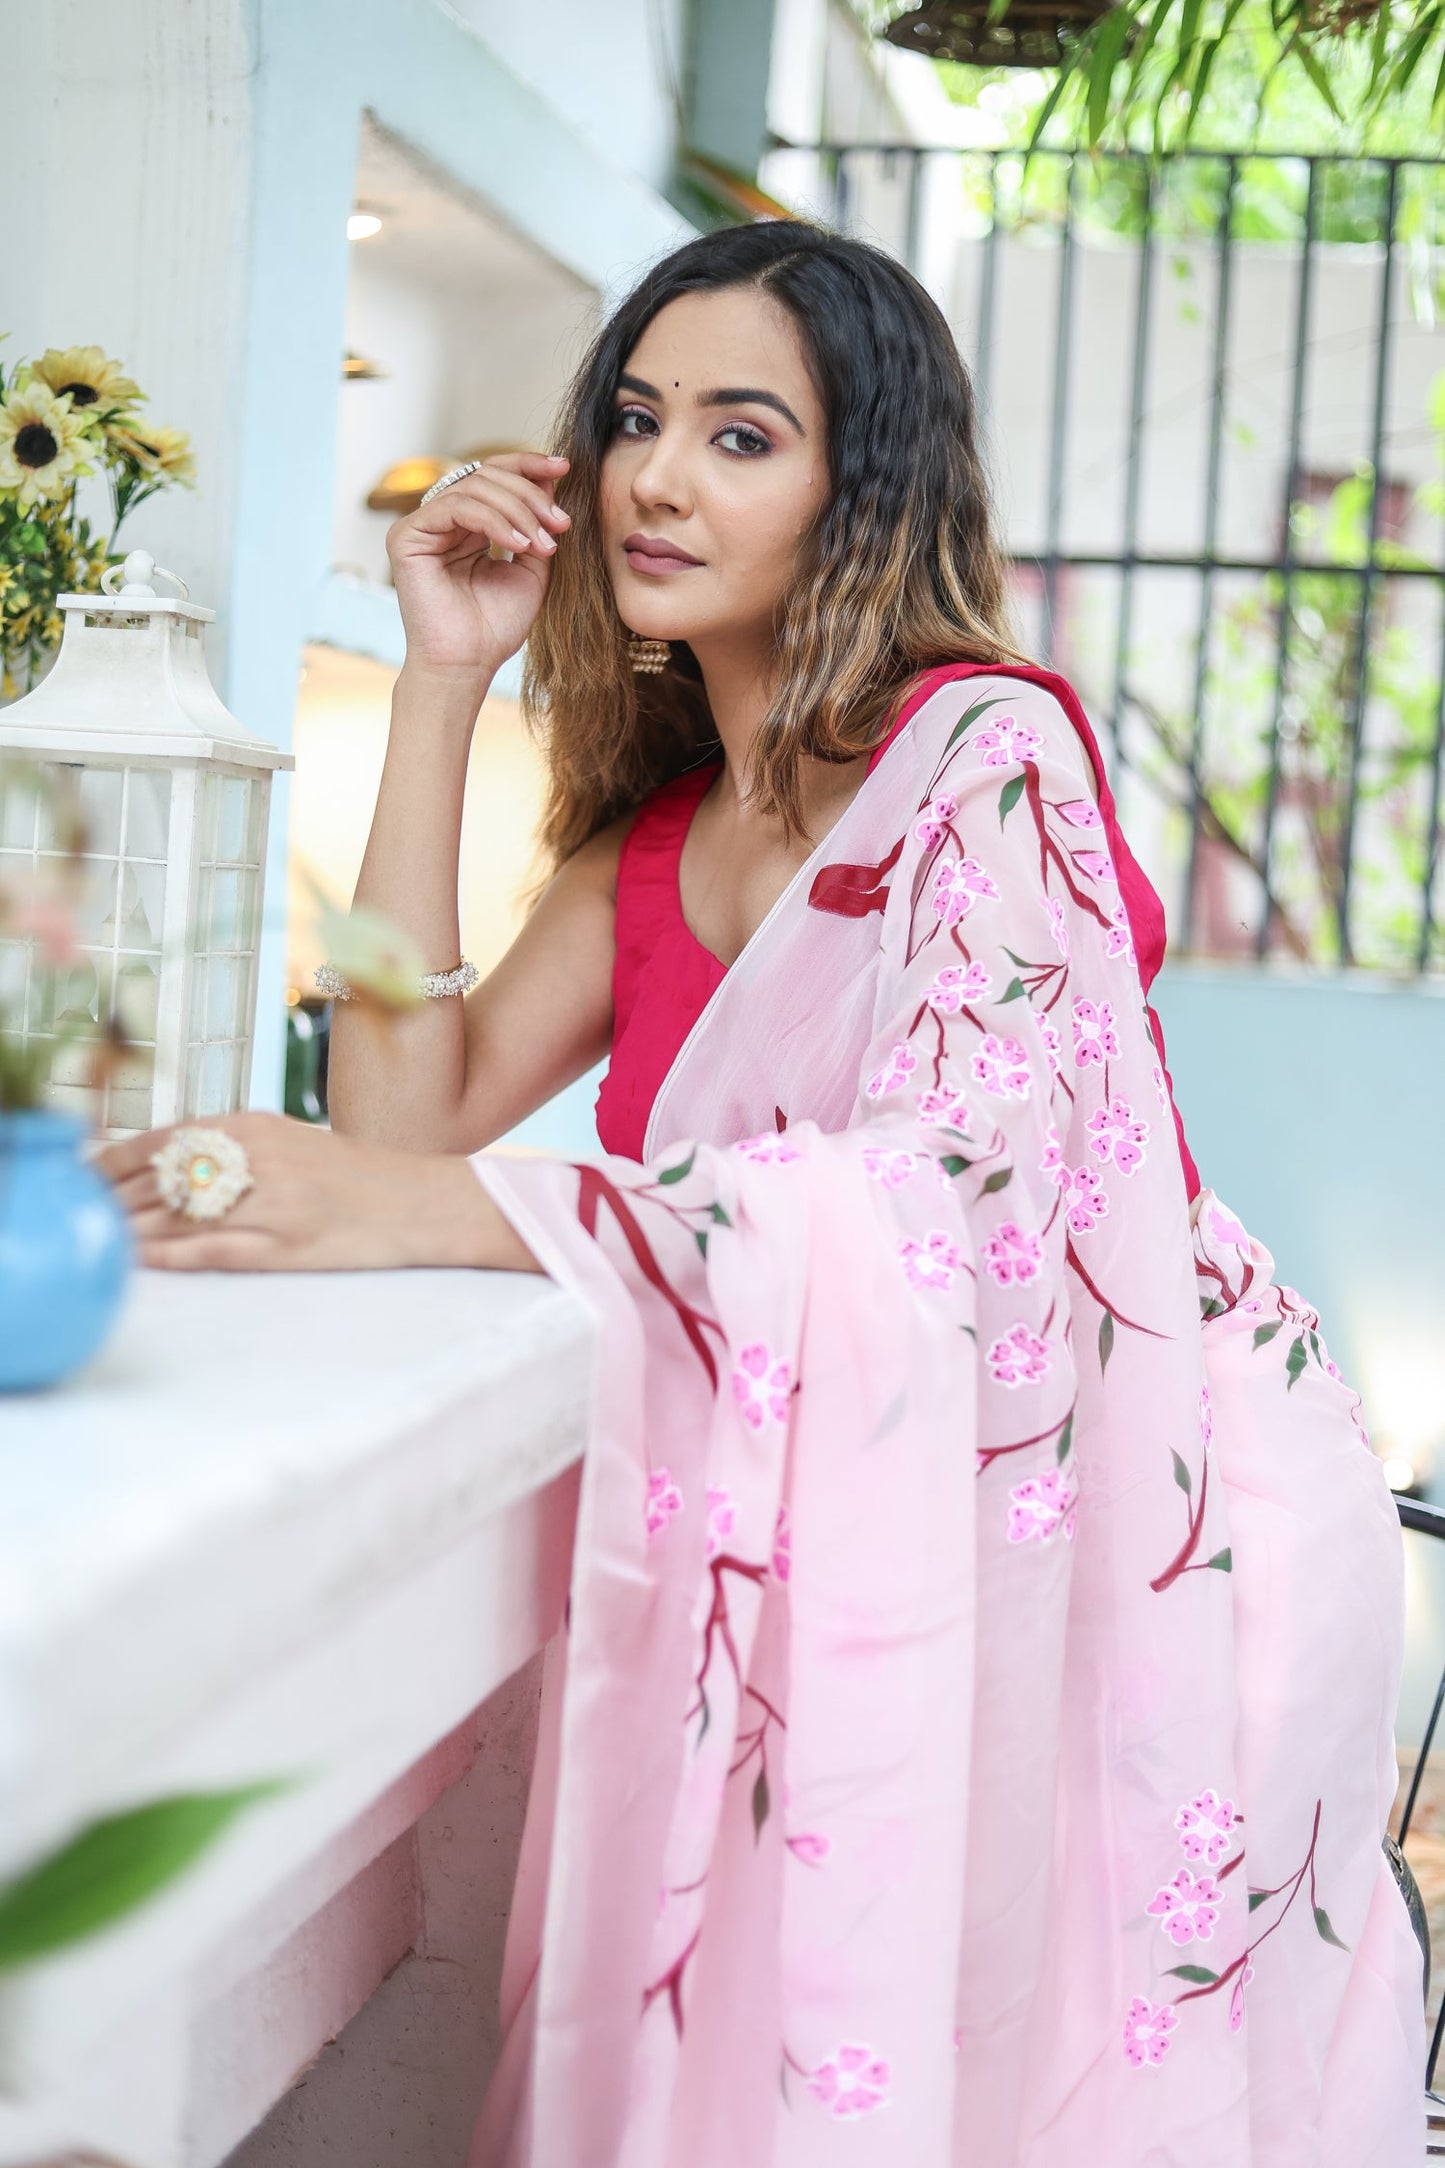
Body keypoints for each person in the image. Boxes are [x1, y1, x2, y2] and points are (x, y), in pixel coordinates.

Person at [100, 222, 1423, 2165]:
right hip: (856, 1521)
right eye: (637, 420)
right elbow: (412, 1118)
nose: (654, 475)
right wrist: (440, 679)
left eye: (742, 434)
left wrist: (459, 1212)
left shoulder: (987, 757)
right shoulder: (664, 837)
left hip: (1142, 1536)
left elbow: (967, 1200)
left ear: (861, 484)